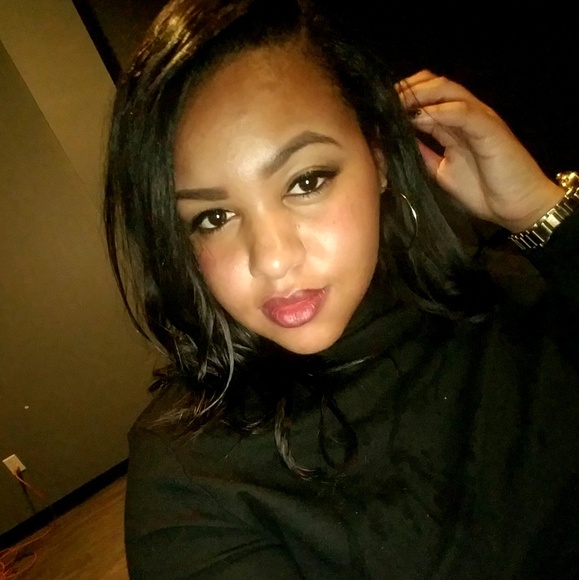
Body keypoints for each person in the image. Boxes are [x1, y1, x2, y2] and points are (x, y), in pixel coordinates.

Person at [104, 0, 579, 577]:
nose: (273, 258)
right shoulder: (189, 475)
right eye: (213, 218)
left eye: (306, 181)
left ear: (379, 156)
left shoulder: (512, 301)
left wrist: (542, 214)